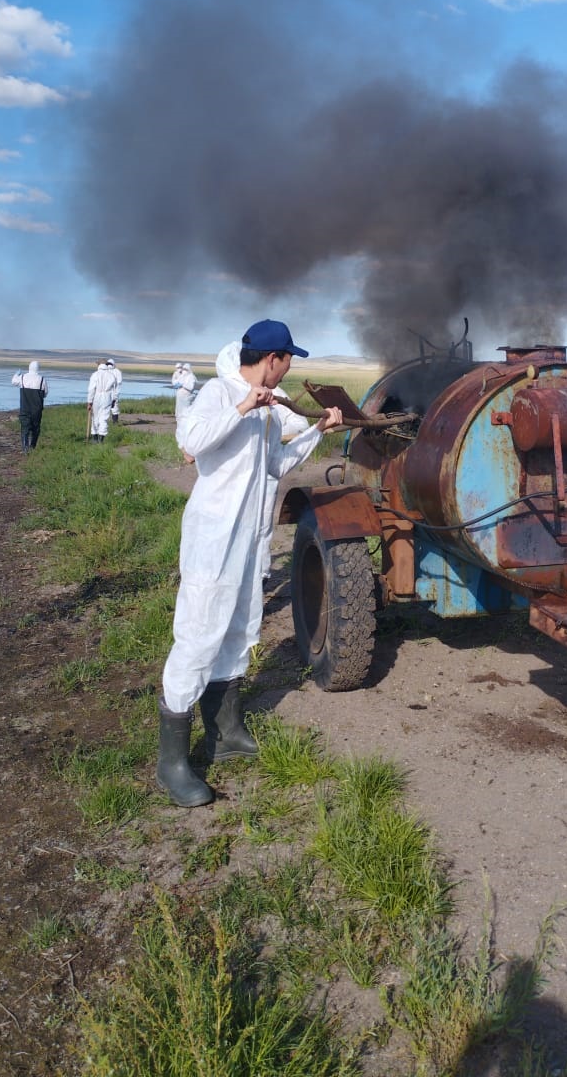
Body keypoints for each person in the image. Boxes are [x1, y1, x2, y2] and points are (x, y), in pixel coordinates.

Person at [157, 319, 343, 807]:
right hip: (213, 540)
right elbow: (192, 440)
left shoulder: (269, 409)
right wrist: (243, 406)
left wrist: (317, 430)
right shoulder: (219, 393)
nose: (288, 369)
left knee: (239, 629)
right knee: (199, 635)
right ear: (271, 358)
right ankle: (171, 763)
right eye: (288, 360)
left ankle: (225, 732)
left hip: (247, 541)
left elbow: (275, 466)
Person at [215, 342, 309, 581]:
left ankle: (260, 577)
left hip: (265, 476)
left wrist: (269, 438)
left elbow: (299, 425)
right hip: (228, 488)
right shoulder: (219, 393)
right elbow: (193, 443)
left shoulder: (273, 395)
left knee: (260, 527)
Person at [11, 361, 48, 453]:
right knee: (36, 428)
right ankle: (32, 446)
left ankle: (25, 449)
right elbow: (45, 393)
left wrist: (16, 374)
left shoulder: (22, 377)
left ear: (29, 368)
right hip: (37, 409)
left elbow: (13, 382)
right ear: (38, 368)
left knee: (25, 428)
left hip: (25, 408)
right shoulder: (42, 379)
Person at [87, 359, 116, 442]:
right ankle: (101, 439)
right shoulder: (111, 375)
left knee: (95, 417)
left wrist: (89, 402)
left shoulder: (95, 375)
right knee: (104, 418)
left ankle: (95, 438)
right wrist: (113, 400)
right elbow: (114, 390)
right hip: (107, 397)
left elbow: (91, 389)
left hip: (97, 396)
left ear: (99, 365)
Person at [107, 358, 123, 424]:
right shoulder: (117, 371)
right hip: (112, 391)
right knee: (113, 406)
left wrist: (116, 394)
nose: (109, 365)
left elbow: (118, 383)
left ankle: (114, 422)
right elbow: (119, 383)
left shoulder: (116, 371)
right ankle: (114, 422)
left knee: (113, 406)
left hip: (112, 391)